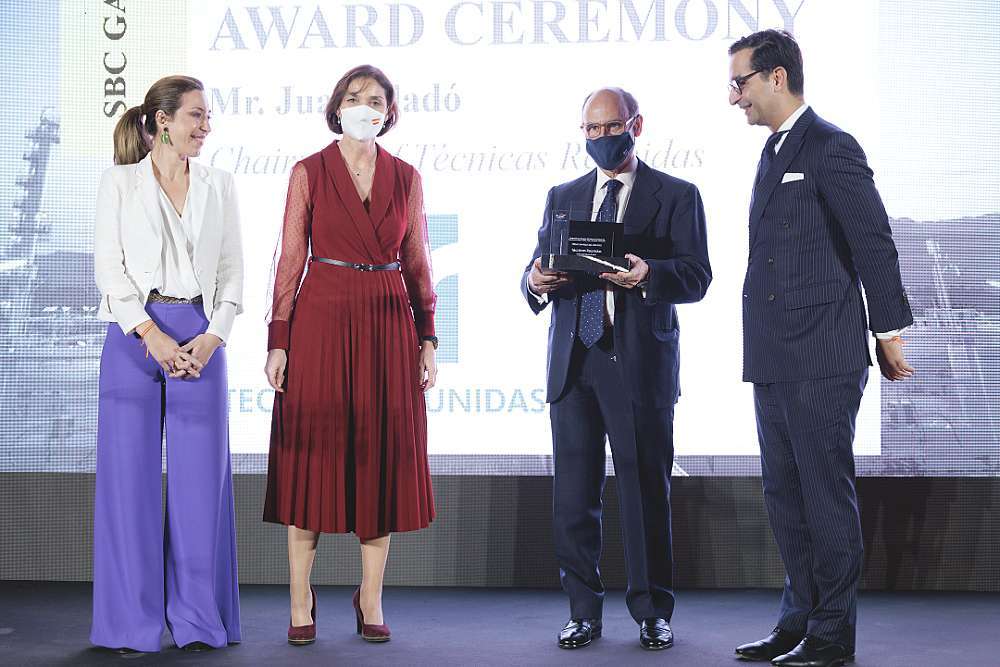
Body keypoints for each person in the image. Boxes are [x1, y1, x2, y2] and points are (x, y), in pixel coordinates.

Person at [727, 30, 914, 667]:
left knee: (823, 495)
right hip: (773, 357)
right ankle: (798, 621)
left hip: (823, 356)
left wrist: (886, 333)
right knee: (784, 495)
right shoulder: (773, 151)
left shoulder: (832, 146)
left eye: (740, 83)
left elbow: (873, 241)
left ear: (776, 77)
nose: (734, 98)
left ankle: (832, 637)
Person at [521, 87, 712, 651]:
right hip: (574, 363)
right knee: (573, 498)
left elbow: (697, 275)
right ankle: (583, 611)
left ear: (636, 125)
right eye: (591, 130)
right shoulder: (564, 194)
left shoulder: (677, 194)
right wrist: (534, 281)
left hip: (637, 363)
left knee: (643, 492)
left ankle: (652, 611)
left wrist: (649, 273)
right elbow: (533, 268)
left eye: (610, 127)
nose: (601, 138)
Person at [263, 64, 438, 646]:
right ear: (337, 106)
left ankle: (370, 597)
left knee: (381, 458)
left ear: (390, 112)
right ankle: (300, 598)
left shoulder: (407, 177)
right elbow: (289, 262)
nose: (367, 106)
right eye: (356, 97)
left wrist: (428, 337)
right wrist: (278, 339)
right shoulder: (308, 172)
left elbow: (417, 263)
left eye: (377, 99)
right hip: (321, 317)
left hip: (388, 319)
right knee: (310, 457)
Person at [91, 75, 244, 653]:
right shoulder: (120, 183)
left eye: (207, 117)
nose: (206, 126)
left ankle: (200, 621)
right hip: (135, 338)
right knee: (128, 488)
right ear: (162, 121)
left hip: (201, 338)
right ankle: (130, 625)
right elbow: (110, 268)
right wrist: (149, 333)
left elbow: (233, 271)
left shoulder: (219, 184)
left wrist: (213, 337)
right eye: (196, 116)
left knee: (199, 489)